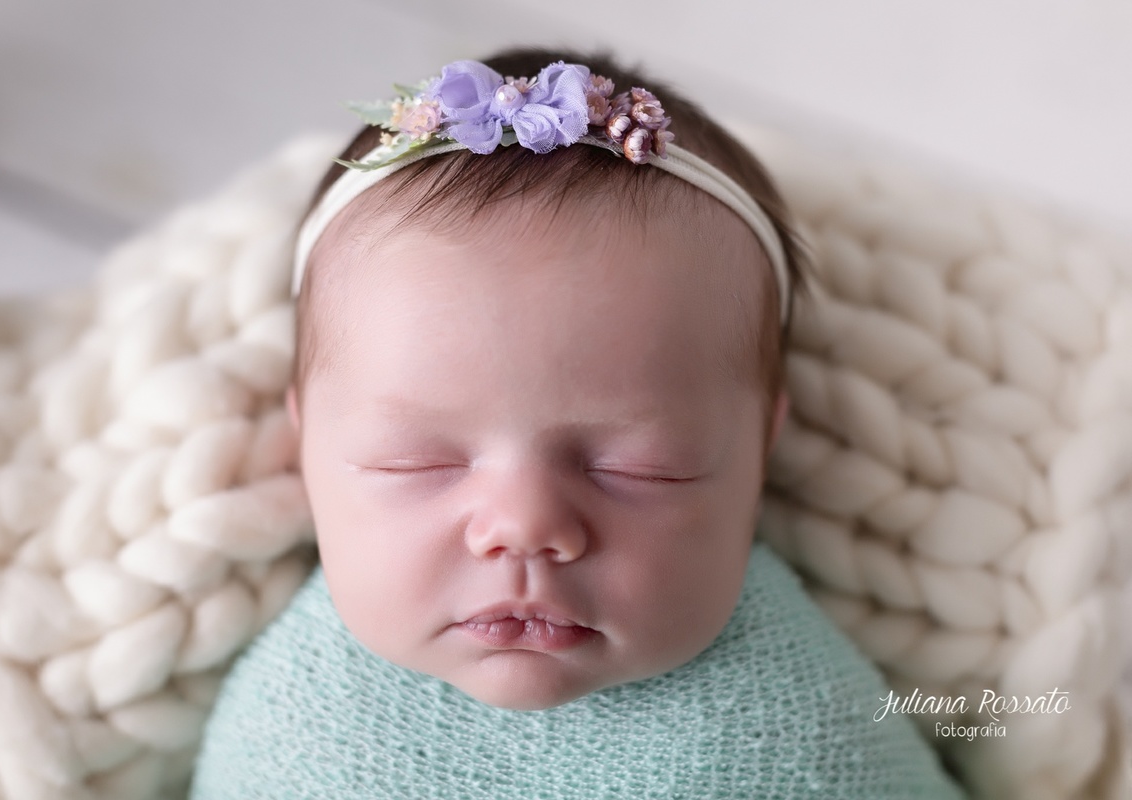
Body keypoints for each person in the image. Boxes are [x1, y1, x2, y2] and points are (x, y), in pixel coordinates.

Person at [190, 47, 964, 798]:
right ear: (306, 444)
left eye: (642, 466)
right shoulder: (291, 724)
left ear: (760, 452)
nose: (525, 527)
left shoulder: (811, 732)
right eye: (414, 460)